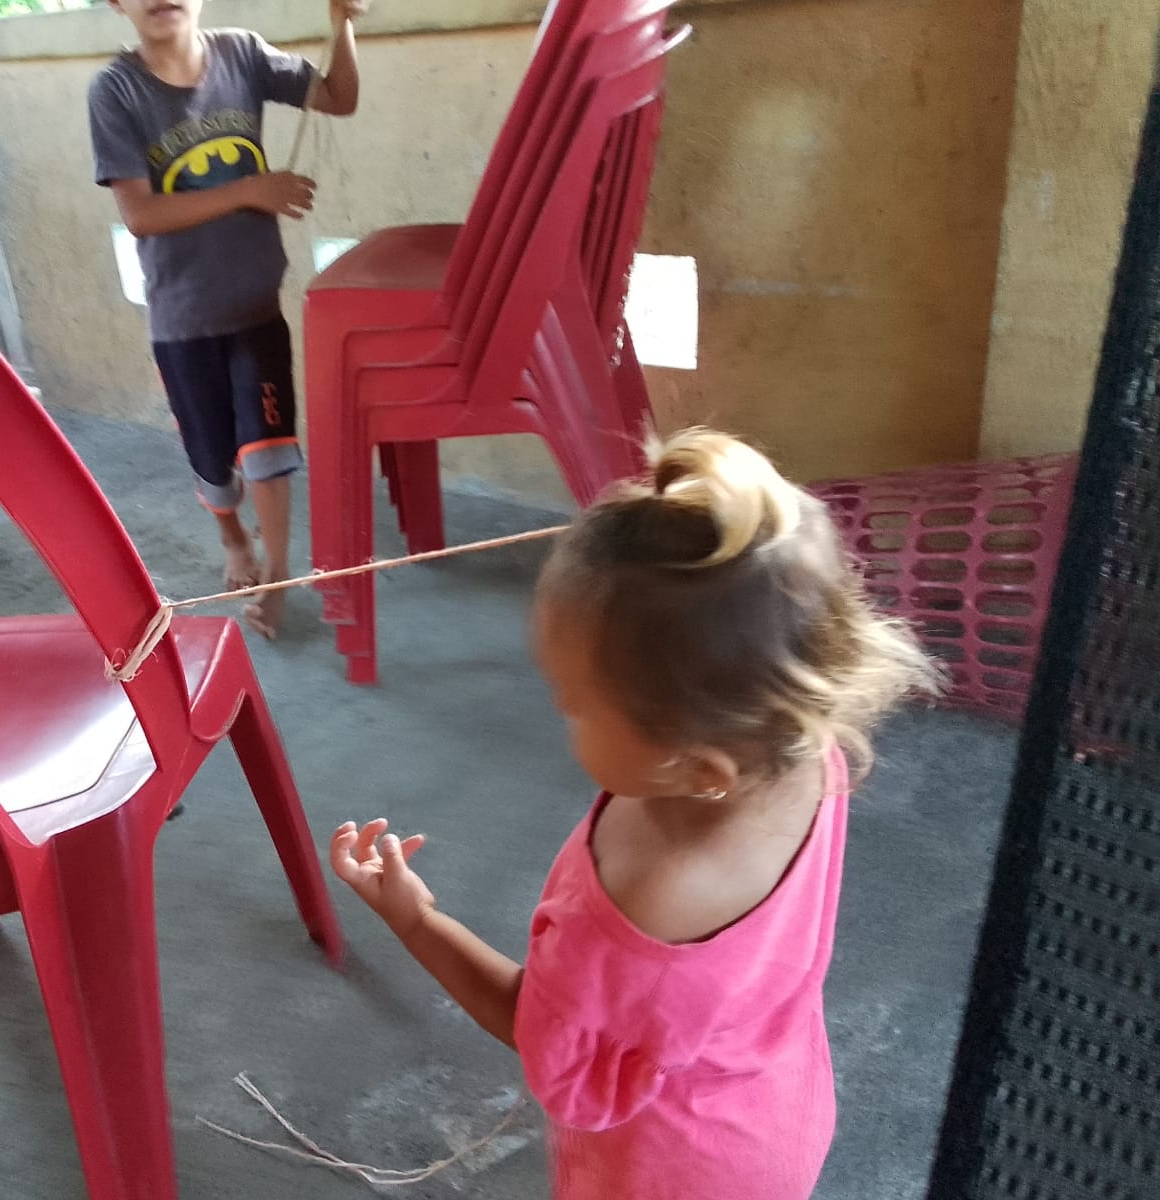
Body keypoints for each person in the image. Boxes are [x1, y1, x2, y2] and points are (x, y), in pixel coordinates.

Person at [331, 429, 938, 1199]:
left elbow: (536, 1030)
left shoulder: (647, 902)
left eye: (573, 703)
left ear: (700, 768)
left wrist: (415, 920)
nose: (558, 715)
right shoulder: (799, 747)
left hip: (671, 1172)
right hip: (774, 1104)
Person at [89, 0, 367, 638]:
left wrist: (344, 25)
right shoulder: (116, 89)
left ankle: (277, 574)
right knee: (213, 462)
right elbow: (141, 215)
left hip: (255, 308)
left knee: (268, 449)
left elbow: (338, 98)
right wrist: (249, 190)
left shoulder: (243, 53)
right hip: (182, 321)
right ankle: (233, 536)